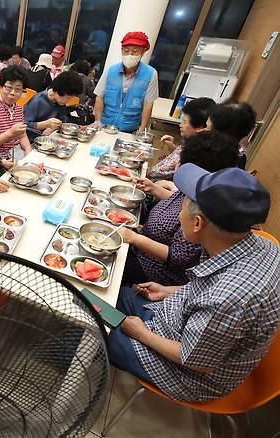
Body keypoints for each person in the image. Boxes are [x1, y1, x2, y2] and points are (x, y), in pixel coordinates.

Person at [109, 163, 279, 402]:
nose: (178, 209)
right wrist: (169, 291)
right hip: (180, 319)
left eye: (183, 203)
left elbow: (195, 361)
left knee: (100, 332)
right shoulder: (263, 245)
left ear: (197, 223)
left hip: (192, 374)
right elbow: (210, 288)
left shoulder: (229, 298)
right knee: (115, 296)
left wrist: (141, 334)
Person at [120, 130, 240, 287]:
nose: (177, 164)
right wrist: (154, 189)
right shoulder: (193, 188)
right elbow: (174, 202)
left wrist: (136, 239)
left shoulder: (205, 212)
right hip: (141, 246)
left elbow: (179, 257)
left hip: (154, 270)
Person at [93, 31, 159, 133]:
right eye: (126, 51)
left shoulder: (150, 74)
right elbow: (99, 97)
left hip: (129, 129)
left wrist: (142, 130)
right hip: (104, 127)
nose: (129, 55)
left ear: (143, 52)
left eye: (135, 52)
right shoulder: (111, 71)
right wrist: (98, 121)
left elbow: (148, 105)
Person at [148, 97, 215, 181]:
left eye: (184, 121)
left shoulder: (195, 151)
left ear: (200, 128)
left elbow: (154, 173)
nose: (180, 124)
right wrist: (173, 148)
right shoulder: (191, 142)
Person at [0, 65, 32, 166]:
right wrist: (10, 133)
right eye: (9, 87)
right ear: (0, 87)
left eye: (18, 89)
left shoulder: (17, 108)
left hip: (18, 154)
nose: (12, 93)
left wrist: (28, 153)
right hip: (0, 161)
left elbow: (22, 134)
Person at [24, 71, 84, 142]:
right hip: (32, 141)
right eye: (68, 98)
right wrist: (45, 124)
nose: (68, 101)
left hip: (52, 138)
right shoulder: (38, 101)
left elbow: (63, 118)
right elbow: (24, 126)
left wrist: (54, 127)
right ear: (59, 91)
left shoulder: (60, 102)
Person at [207, 102, 257, 169]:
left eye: (207, 128)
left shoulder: (206, 156)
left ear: (219, 134)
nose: (201, 131)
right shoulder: (240, 158)